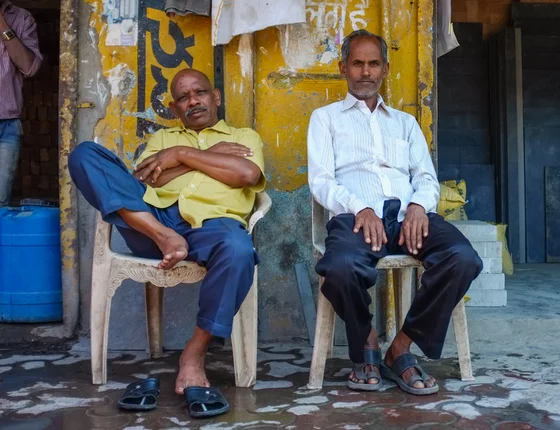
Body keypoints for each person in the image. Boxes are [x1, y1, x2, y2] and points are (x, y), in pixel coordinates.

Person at [68, 69, 266, 413]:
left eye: (200, 93)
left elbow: (245, 174)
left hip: (214, 226)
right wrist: (209, 158)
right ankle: (166, 237)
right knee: (85, 154)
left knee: (238, 250)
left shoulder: (243, 135)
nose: (193, 101)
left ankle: (194, 353)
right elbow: (145, 183)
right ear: (175, 107)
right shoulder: (162, 139)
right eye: (184, 98)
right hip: (155, 224)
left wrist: (182, 156)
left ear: (215, 96)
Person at [307, 30, 483, 395]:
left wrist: (419, 206)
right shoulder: (325, 119)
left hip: (408, 218)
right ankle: (367, 342)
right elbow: (321, 182)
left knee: (463, 258)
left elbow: (426, 178)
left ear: (385, 69)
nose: (365, 72)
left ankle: (400, 348)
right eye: (357, 63)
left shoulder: (405, 123)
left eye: (373, 64)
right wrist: (362, 208)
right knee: (338, 270)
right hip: (355, 219)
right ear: (343, 68)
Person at [0, 0, 42, 206]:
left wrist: (2, 24)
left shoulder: (22, 18)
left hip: (7, 125)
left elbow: (29, 67)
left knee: (0, 203)